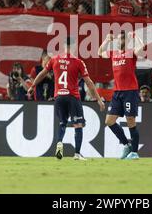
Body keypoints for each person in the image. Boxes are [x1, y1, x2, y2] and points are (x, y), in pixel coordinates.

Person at [28, 37, 104, 160]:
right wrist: (99, 99)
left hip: (59, 97)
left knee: (62, 122)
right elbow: (89, 82)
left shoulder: (54, 60)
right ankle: (77, 154)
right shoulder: (78, 62)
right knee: (78, 125)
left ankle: (59, 142)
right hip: (72, 97)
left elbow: (42, 73)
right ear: (74, 46)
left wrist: (32, 86)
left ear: (63, 46)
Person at [98, 31, 145, 160]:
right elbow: (99, 52)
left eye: (121, 39)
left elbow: (142, 48)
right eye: (118, 39)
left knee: (130, 121)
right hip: (117, 92)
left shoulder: (131, 53)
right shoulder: (113, 53)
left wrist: (136, 36)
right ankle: (126, 144)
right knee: (109, 121)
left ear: (126, 41)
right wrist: (107, 40)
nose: (119, 41)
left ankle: (134, 153)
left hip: (130, 91)